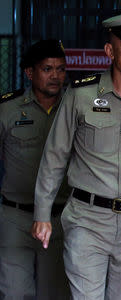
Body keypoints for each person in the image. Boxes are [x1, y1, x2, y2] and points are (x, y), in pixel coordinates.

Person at [31, 6, 121, 299]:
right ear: (110, 51)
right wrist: (42, 213)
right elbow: (55, 156)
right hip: (87, 219)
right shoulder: (81, 95)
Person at [0, 40, 70, 299]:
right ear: (30, 73)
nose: (56, 76)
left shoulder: (73, 107)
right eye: (48, 69)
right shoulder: (7, 109)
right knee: (15, 292)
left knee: (55, 293)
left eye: (61, 69)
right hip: (15, 216)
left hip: (59, 218)